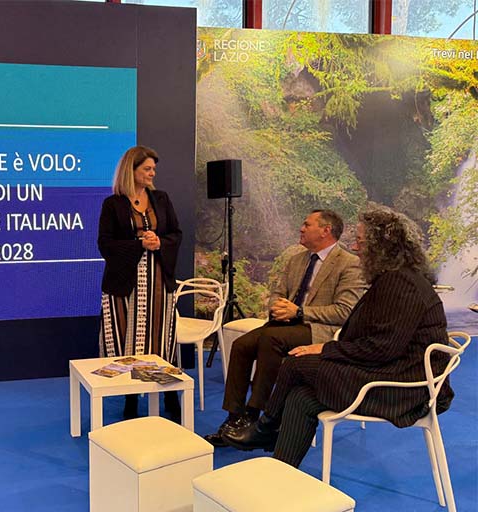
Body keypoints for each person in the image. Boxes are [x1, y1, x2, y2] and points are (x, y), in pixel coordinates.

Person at [222, 206, 454, 468]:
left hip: (403, 387)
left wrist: (326, 349)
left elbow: (381, 348)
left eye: (361, 242)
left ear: (381, 247)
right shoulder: (395, 278)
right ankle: (281, 470)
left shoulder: (400, 283)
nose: (355, 247)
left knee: (296, 365)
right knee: (301, 397)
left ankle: (265, 428)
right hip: (393, 370)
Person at [205, 209, 366, 447]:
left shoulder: (349, 264)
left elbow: (345, 312)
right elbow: (278, 293)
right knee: (241, 345)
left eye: (307, 224)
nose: (301, 228)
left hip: (318, 329)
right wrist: (277, 307)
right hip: (285, 325)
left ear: (326, 230)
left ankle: (257, 417)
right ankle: (234, 418)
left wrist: (299, 312)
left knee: (271, 338)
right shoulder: (297, 259)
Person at [98, 145, 183, 420]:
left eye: (153, 169)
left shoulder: (162, 198)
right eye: (147, 168)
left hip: (159, 282)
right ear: (131, 170)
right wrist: (138, 245)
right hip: (124, 284)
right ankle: (131, 398)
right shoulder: (113, 204)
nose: (152, 173)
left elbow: (176, 234)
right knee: (127, 340)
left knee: (160, 338)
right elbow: (105, 244)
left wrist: (160, 242)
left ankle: (169, 394)